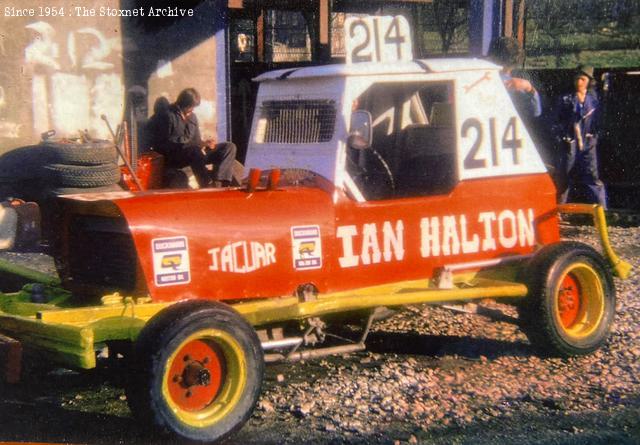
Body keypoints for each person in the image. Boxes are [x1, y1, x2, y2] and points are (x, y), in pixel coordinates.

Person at [148, 88, 237, 188]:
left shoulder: (192, 117)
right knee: (194, 151)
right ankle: (206, 184)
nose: (192, 109)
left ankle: (219, 183)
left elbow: (197, 140)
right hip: (176, 157)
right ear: (183, 104)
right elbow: (164, 144)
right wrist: (195, 146)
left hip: (195, 153)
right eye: (191, 106)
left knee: (229, 147)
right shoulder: (167, 115)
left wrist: (205, 144)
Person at [553, 65, 607, 208]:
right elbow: (556, 120)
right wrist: (562, 136)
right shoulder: (565, 99)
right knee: (564, 176)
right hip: (569, 142)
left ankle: (602, 210)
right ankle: (559, 209)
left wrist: (594, 136)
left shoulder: (594, 101)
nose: (579, 82)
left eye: (582, 79)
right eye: (577, 78)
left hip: (588, 142)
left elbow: (599, 120)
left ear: (589, 81)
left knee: (592, 175)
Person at [488, 37, 542, 122]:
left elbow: (536, 113)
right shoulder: (516, 84)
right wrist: (528, 88)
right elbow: (536, 112)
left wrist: (528, 87)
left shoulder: (519, 79)